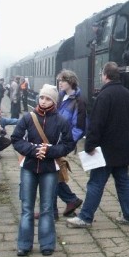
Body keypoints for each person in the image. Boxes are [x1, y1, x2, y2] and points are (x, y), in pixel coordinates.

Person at [66, 61, 129, 228]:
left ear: (105, 76)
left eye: (101, 74)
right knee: (123, 182)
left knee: (96, 183)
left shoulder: (104, 96)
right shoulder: (128, 95)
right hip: (123, 149)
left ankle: (85, 217)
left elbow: (96, 124)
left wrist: (89, 145)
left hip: (105, 150)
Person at [11, 84, 75, 257]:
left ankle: (47, 244)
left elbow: (69, 144)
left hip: (49, 169)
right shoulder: (27, 118)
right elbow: (16, 139)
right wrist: (34, 150)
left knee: (46, 208)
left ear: (53, 101)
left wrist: (49, 151)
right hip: (29, 167)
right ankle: (24, 244)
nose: (44, 101)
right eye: (42, 98)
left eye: (48, 98)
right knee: (26, 207)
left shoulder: (60, 121)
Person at [52, 69, 86, 218]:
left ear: (70, 82)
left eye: (62, 81)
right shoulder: (60, 97)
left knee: (50, 172)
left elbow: (78, 127)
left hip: (63, 143)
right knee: (52, 172)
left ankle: (53, 209)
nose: (60, 84)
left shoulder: (78, 101)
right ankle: (70, 200)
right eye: (59, 81)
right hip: (53, 140)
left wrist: (67, 143)